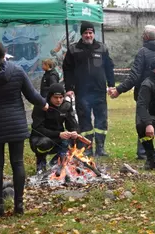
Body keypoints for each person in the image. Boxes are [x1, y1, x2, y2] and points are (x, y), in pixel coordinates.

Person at [0, 40, 48, 217]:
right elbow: (32, 95)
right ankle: (19, 205)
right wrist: (44, 104)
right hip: (16, 125)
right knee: (17, 163)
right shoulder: (17, 71)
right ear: (4, 53)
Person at [108, 25, 155, 160]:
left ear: (146, 37)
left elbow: (134, 76)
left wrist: (119, 90)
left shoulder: (142, 52)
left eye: (143, 34)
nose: (142, 36)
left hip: (146, 93)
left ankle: (144, 153)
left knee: (143, 121)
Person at [63, 21, 115, 157]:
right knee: (84, 120)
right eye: (85, 33)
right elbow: (67, 70)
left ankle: (100, 148)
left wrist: (111, 85)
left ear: (94, 33)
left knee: (101, 120)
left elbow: (109, 68)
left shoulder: (102, 48)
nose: (88, 35)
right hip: (82, 92)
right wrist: (69, 88)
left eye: (90, 32)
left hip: (99, 91)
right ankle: (87, 147)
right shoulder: (73, 49)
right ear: (82, 34)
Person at [30, 83, 79, 173]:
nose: (59, 100)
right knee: (45, 143)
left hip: (58, 137)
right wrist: (59, 134)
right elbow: (37, 129)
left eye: (61, 97)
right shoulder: (41, 106)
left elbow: (72, 124)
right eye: (55, 97)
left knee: (73, 139)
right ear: (50, 96)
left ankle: (57, 163)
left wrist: (74, 132)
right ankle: (41, 162)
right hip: (39, 138)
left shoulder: (66, 106)